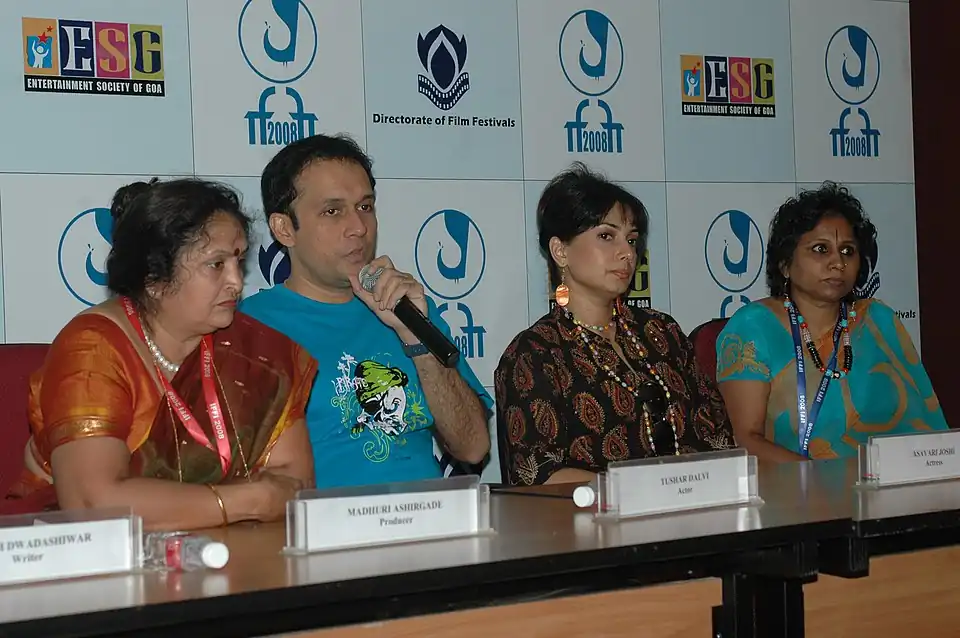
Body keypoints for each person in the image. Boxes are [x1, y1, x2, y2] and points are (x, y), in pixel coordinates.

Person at [5, 179, 318, 530]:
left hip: (225, 548)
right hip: (77, 549)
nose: (236, 281)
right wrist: (245, 501)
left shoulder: (256, 352)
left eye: (239, 259)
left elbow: (294, 484)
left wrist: (238, 506)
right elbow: (92, 503)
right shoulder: (92, 351)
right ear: (153, 279)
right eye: (216, 264)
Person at [240, 133, 492, 488]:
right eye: (333, 211)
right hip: (325, 520)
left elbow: (473, 447)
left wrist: (415, 338)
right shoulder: (248, 328)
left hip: (431, 516)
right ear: (284, 229)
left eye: (365, 207)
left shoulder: (407, 308)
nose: (358, 228)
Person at [494, 164, 735, 486]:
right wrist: (642, 491)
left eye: (632, 240)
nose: (627, 253)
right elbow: (536, 474)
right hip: (592, 516)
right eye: (606, 236)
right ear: (560, 251)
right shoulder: (535, 353)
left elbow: (720, 439)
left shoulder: (662, 332)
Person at [716, 182, 947, 461]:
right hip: (791, 484)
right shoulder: (754, 328)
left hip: (884, 481)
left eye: (848, 251)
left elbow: (923, 435)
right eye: (820, 249)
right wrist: (819, 479)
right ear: (785, 264)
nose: (838, 263)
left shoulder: (877, 321)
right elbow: (746, 441)